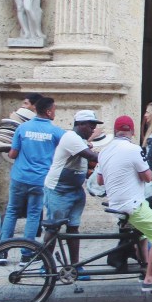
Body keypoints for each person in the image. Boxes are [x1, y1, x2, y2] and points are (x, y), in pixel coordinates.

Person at [96, 116, 152, 293]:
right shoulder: (134, 149)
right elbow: (147, 177)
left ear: (115, 131)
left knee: (142, 235)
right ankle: (150, 279)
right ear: (132, 131)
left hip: (115, 204)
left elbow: (100, 180)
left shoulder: (104, 151)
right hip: (132, 204)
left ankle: (145, 269)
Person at [0, 95, 64, 262]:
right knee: (33, 214)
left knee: (12, 211)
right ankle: (26, 255)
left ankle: (1, 252)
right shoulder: (55, 131)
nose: (55, 112)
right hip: (40, 180)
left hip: (19, 177)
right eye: (54, 110)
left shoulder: (22, 128)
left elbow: (13, 154)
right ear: (48, 112)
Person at [42, 110, 102, 276]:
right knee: (53, 228)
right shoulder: (71, 138)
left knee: (73, 228)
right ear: (80, 124)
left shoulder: (81, 140)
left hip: (75, 190)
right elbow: (91, 156)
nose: (93, 129)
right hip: (59, 190)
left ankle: (75, 266)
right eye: (91, 126)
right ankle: (45, 265)